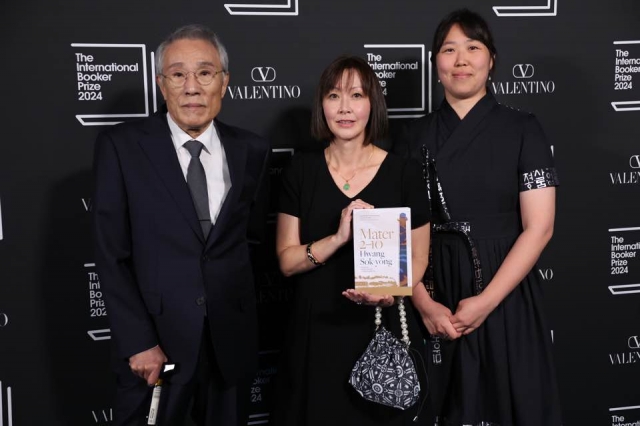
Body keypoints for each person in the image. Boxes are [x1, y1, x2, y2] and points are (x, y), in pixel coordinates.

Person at [93, 24, 270, 426]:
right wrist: (139, 342)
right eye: (178, 74)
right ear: (161, 84)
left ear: (224, 82)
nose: (192, 87)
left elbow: (251, 241)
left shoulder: (252, 150)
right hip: (156, 349)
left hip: (231, 349)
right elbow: (111, 254)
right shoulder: (121, 147)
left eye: (205, 73)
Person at [396, 9, 562, 426]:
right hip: (432, 289)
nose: (461, 59)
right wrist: (423, 302)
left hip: (503, 288)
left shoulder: (524, 128)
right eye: (449, 50)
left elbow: (539, 227)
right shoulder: (411, 137)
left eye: (473, 47)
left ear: (491, 60)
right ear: (436, 65)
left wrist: (486, 302)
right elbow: (393, 233)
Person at [273, 55, 432, 426]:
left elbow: (421, 257)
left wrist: (392, 292)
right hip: (315, 331)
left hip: (381, 327)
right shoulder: (301, 169)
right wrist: (338, 237)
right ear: (322, 106)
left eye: (356, 95)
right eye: (334, 95)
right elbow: (286, 260)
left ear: (372, 104)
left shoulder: (404, 172)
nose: (345, 107)